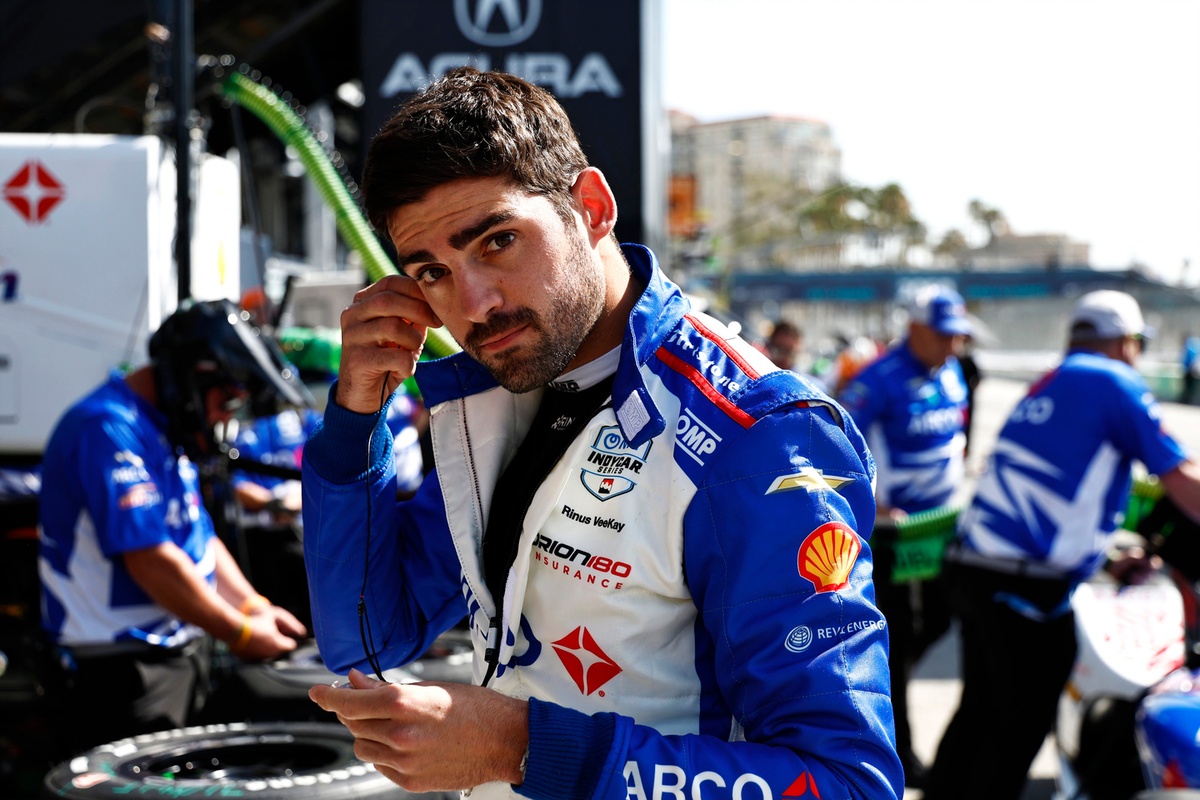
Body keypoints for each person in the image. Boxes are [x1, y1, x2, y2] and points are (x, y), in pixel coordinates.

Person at [303, 67, 901, 800]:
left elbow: (846, 784)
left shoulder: (757, 437)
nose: (475, 304)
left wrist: (521, 748)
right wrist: (354, 419)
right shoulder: (502, 393)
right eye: (433, 272)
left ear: (591, 208)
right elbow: (367, 638)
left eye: (497, 241)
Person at [923, 290, 1200, 799]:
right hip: (1023, 589)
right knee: (1014, 729)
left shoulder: (1051, 380)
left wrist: (1106, 557)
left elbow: (1057, 491)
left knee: (978, 716)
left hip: (976, 568)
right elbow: (1182, 480)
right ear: (1124, 342)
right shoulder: (1112, 379)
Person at [37, 299, 310, 756]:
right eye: (227, 401)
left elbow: (197, 537)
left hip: (175, 650)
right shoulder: (107, 427)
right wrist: (240, 633)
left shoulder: (162, 426)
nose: (226, 418)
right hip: (120, 668)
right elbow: (151, 559)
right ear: (193, 378)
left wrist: (254, 607)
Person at [837, 284, 972, 789]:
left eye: (957, 335)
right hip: (893, 537)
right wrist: (872, 503)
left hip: (941, 529)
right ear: (914, 329)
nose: (952, 345)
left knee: (937, 622)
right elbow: (836, 440)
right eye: (942, 335)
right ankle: (899, 750)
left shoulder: (953, 371)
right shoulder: (877, 380)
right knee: (896, 642)